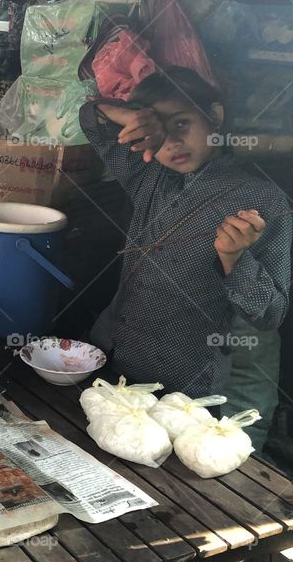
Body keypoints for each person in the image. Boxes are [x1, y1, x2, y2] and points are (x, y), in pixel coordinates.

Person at [79, 67, 290, 444]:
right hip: (119, 363)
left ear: (216, 117)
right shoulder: (148, 175)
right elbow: (90, 119)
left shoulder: (265, 201)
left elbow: (270, 313)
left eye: (182, 123)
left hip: (188, 391)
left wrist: (236, 260)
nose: (172, 142)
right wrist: (131, 117)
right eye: (158, 130)